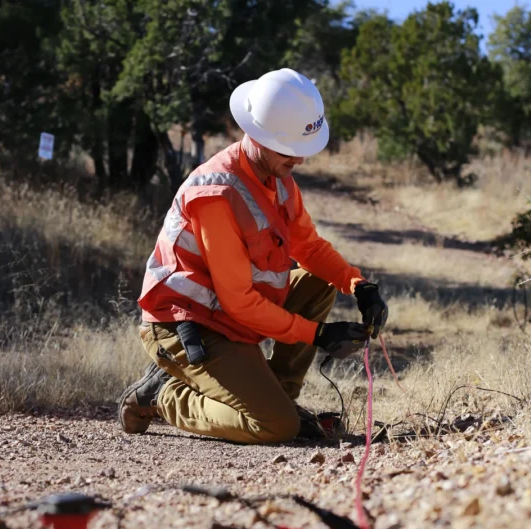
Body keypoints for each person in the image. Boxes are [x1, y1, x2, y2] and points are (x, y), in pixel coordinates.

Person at [117, 68, 388, 444]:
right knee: (276, 427)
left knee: (318, 281)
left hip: (232, 316)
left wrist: (359, 285)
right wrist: (319, 335)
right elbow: (239, 301)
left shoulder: (278, 180)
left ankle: (275, 395)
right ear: (258, 136)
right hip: (188, 323)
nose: (300, 162)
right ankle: (161, 396)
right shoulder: (216, 195)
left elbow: (308, 247)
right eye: (289, 151)